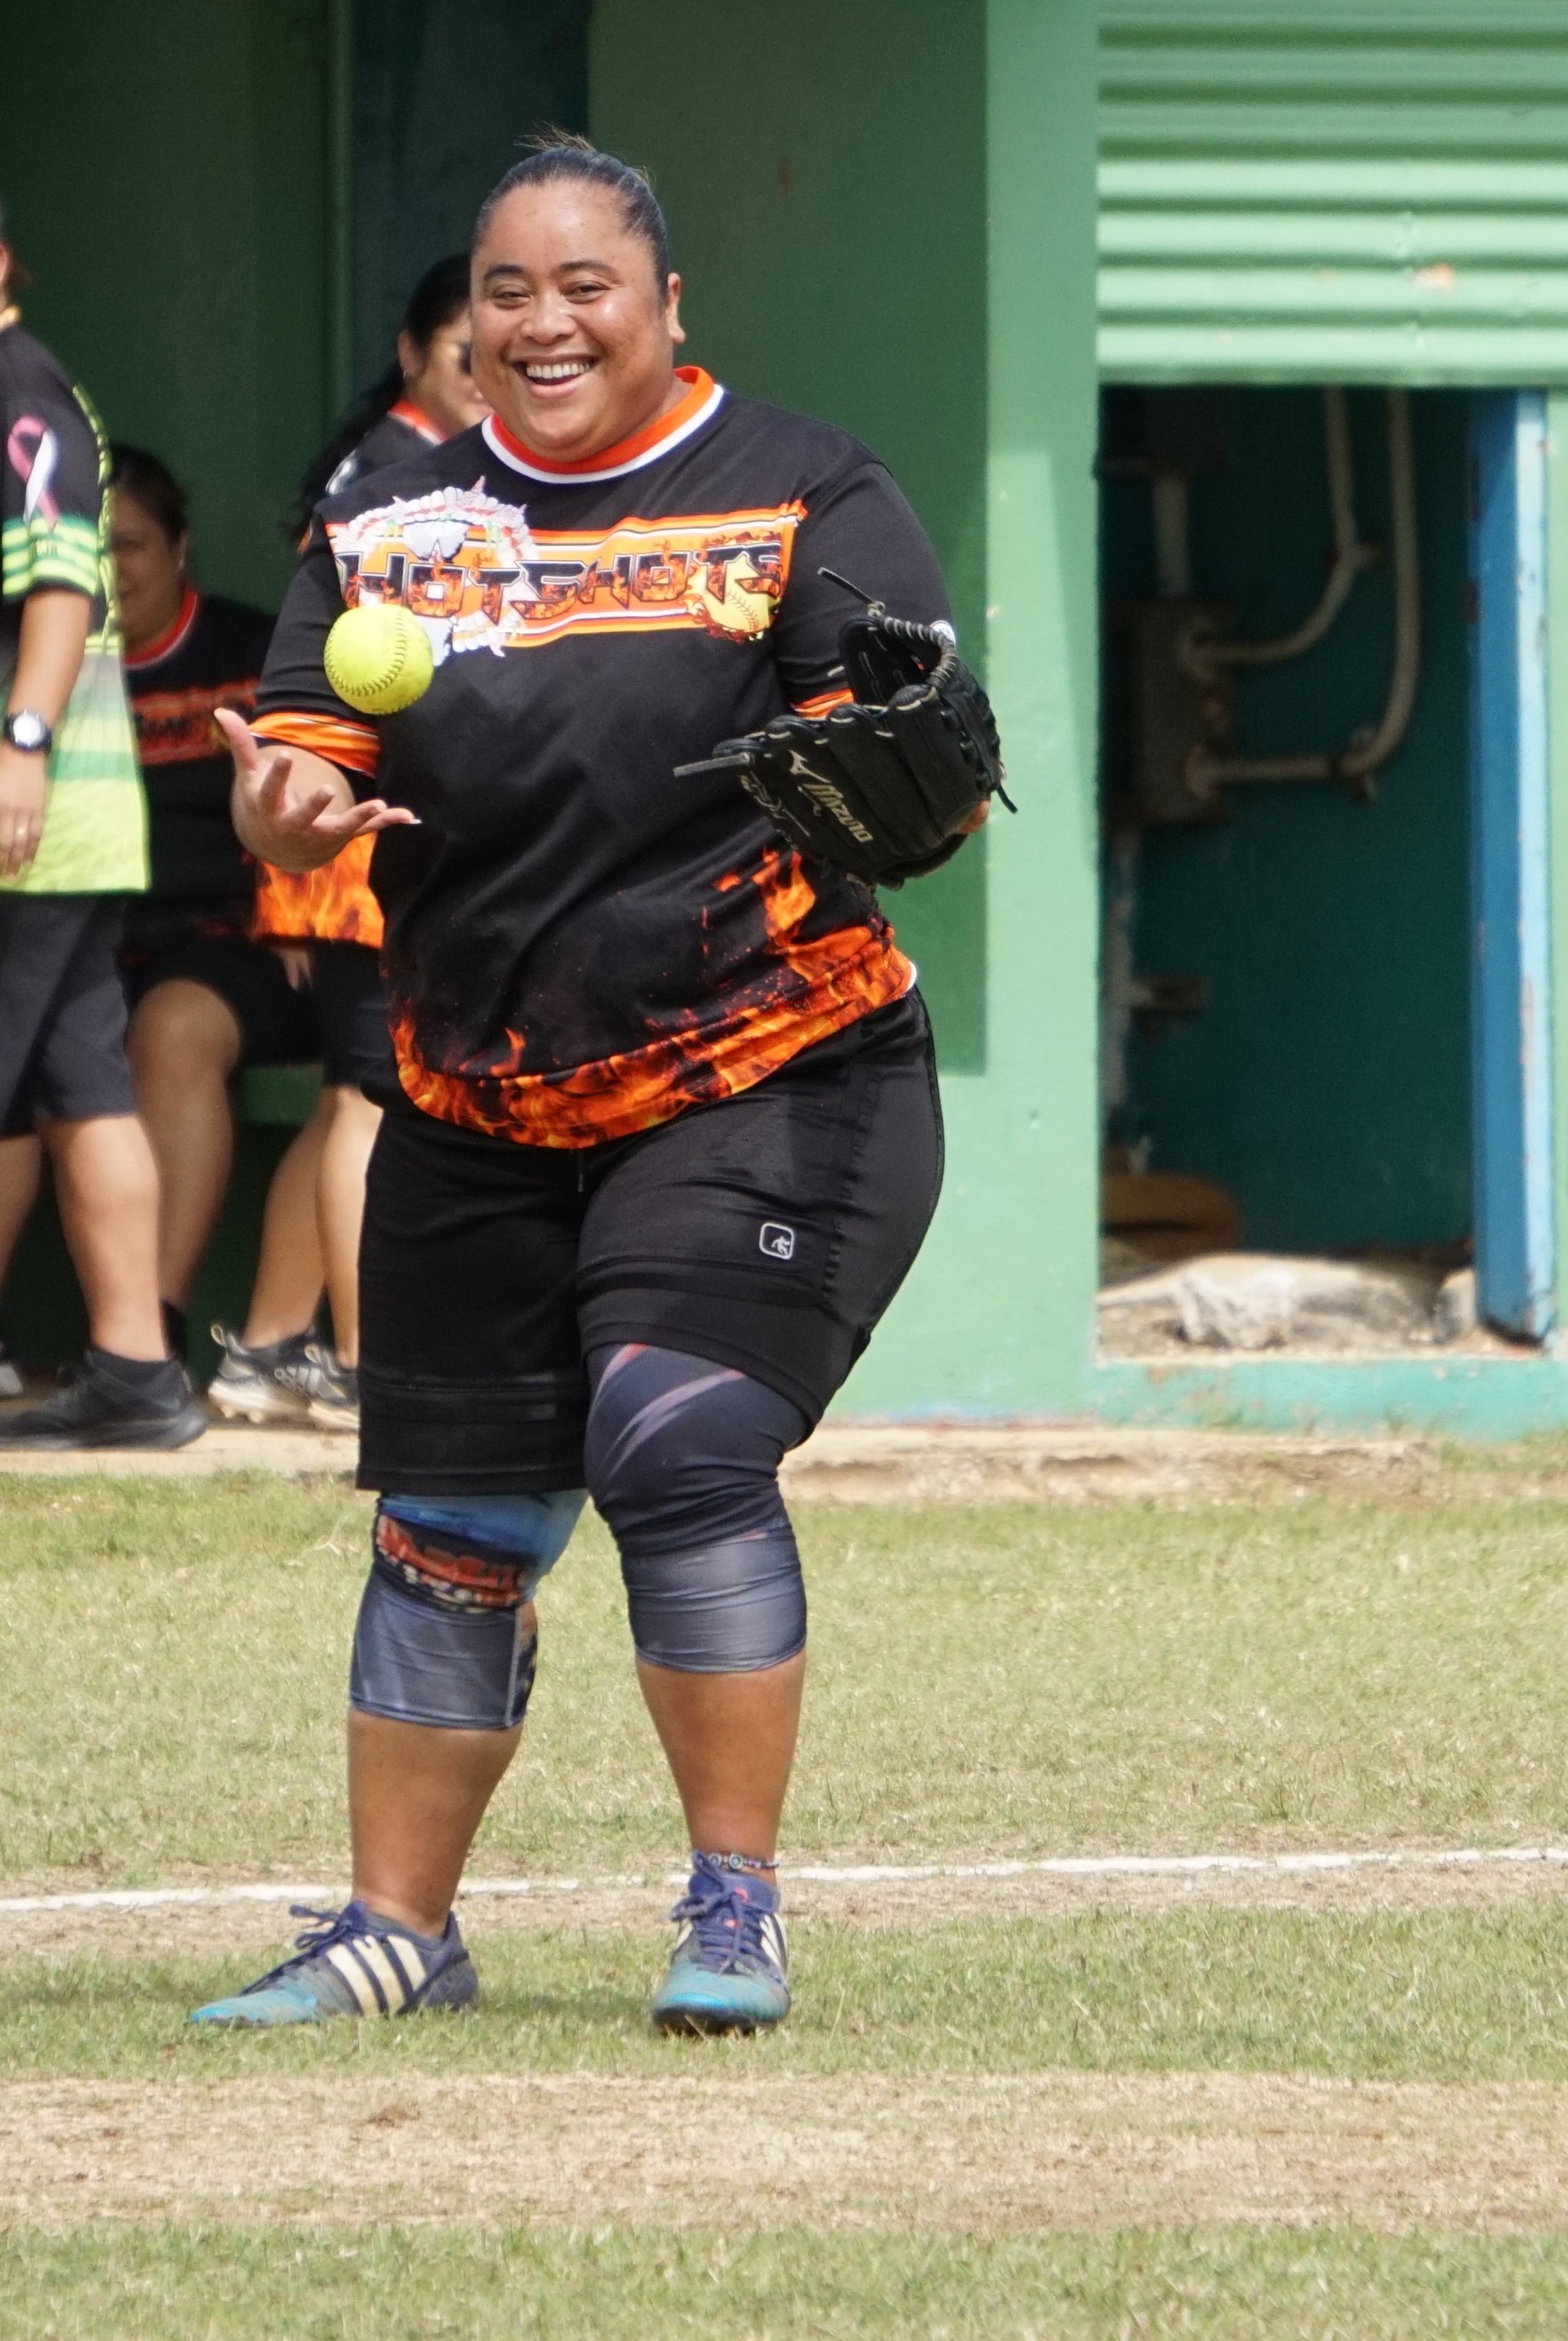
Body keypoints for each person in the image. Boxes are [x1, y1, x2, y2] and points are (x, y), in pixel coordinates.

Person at [191, 137, 968, 2035]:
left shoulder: (797, 485)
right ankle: (397, 1929)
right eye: (505, 294)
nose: (540, 325)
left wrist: (889, 747)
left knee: (677, 1437)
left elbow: (919, 768)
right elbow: (295, 748)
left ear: (666, 302)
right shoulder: (389, 518)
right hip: (480, 1090)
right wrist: (282, 794)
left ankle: (732, 1903)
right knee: (452, 1523)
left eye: (584, 287)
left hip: (773, 1064)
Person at [209, 255, 490, 1434]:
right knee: (372, 1102)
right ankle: (374, 1370)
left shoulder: (394, 462)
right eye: (470, 353)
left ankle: (267, 1349)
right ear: (415, 349)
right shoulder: (394, 478)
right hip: (351, 852)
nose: (497, 374)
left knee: (343, 1104)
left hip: (335, 860)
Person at [0, 209, 204, 1448]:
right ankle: (136, 1370)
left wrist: (19, 745)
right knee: (82, 1084)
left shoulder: (20, 394)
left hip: (30, 813)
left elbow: (64, 581)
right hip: (70, 825)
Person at [104, 446, 323, 1367]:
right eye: (90, 550)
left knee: (173, 1026)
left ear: (180, 546)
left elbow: (315, 784)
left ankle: (145, 1337)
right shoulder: (32, 660)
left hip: (240, 942)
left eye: (131, 544)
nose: (112, 571)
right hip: (83, 943)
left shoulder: (249, 652)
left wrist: (295, 907)